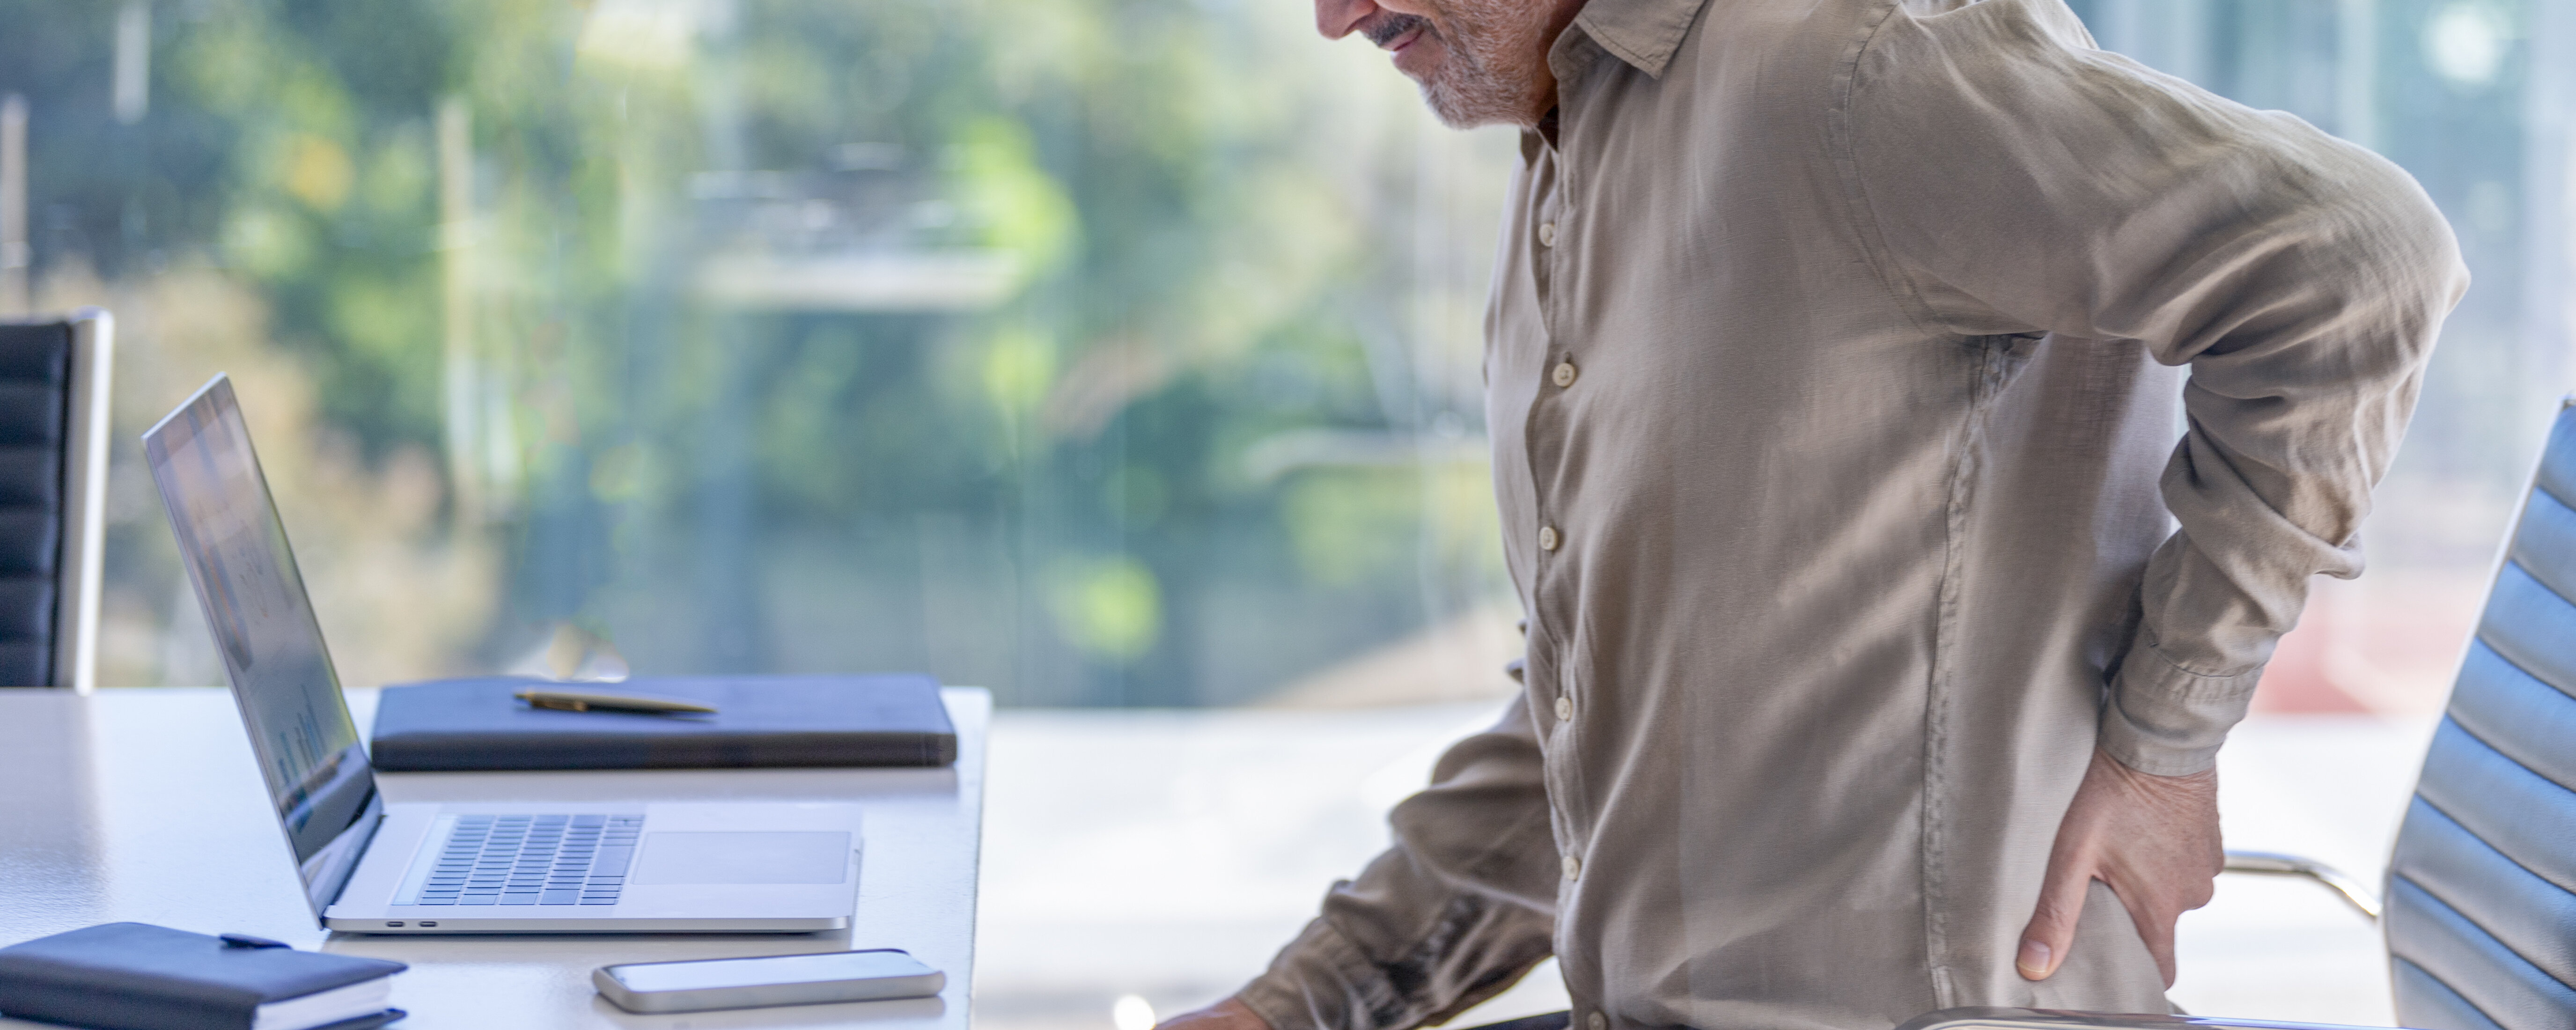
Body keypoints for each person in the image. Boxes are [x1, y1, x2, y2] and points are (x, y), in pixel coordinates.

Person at [1165, 0, 2469, 1028]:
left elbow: (2363, 261)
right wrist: (1293, 1007)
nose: (1334, 17)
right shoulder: (1573, 131)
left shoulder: (1856, 71)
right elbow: (1601, 718)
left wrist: (2162, 746)